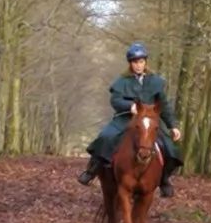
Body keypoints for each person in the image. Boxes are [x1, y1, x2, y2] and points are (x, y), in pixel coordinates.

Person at [78, 44, 183, 197]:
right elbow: (115, 100)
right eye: (135, 62)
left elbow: (164, 105)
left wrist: (173, 125)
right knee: (105, 137)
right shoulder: (122, 81)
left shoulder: (156, 81)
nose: (138, 65)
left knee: (169, 147)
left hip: (149, 121)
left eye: (141, 62)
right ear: (130, 63)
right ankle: (92, 170)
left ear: (145, 62)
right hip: (125, 119)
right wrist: (130, 106)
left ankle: (164, 179)